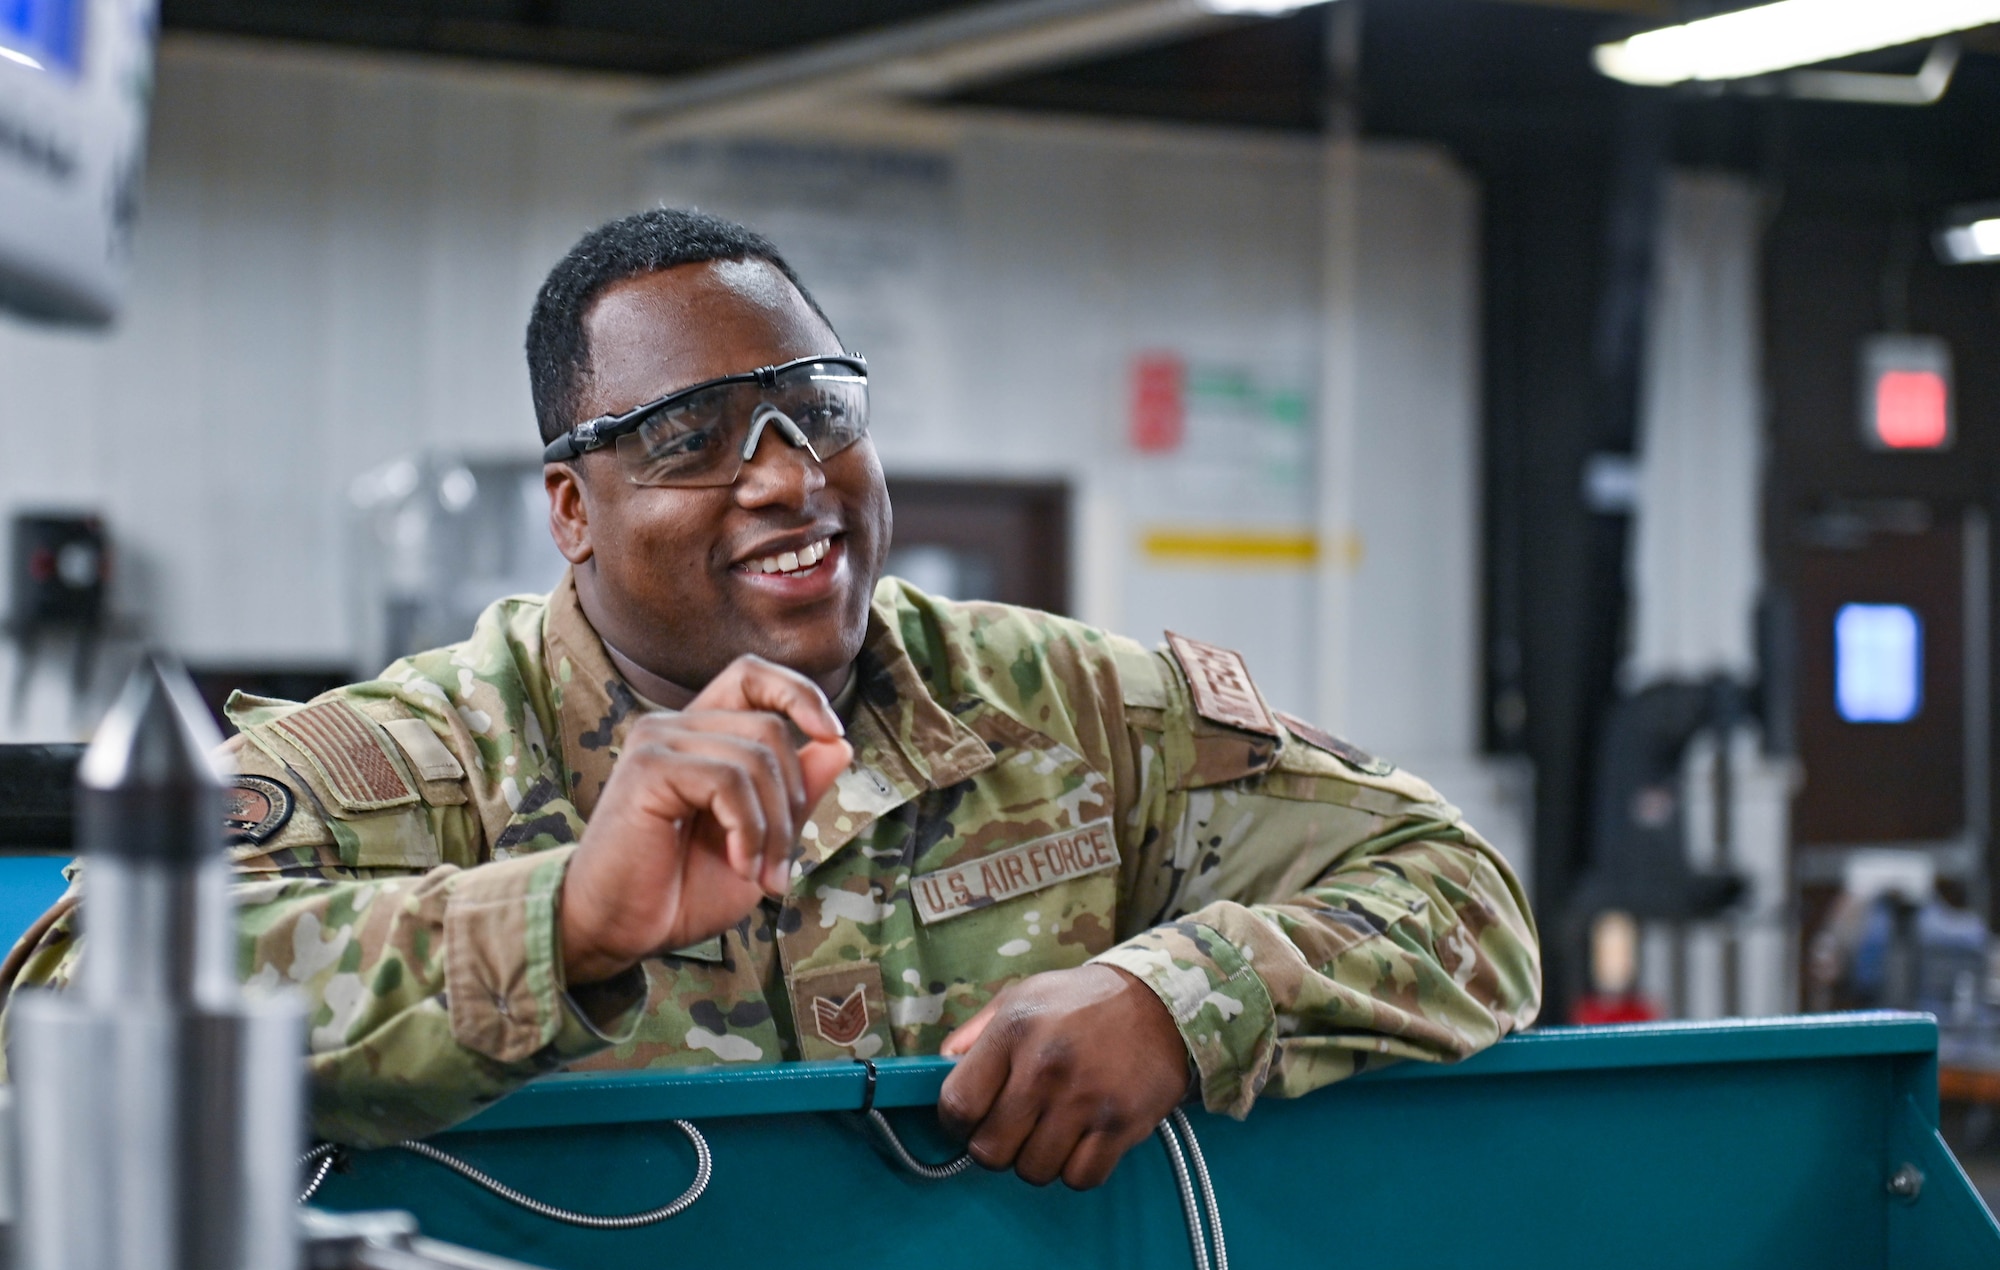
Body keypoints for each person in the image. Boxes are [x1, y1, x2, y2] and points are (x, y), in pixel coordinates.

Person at [3, 208, 1540, 1191]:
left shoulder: (1072, 710)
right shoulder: (415, 762)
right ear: (572, 509)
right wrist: (563, 924)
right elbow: (63, 1014)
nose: (791, 479)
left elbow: (1463, 895)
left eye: (818, 413)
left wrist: (1180, 998)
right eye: (693, 437)